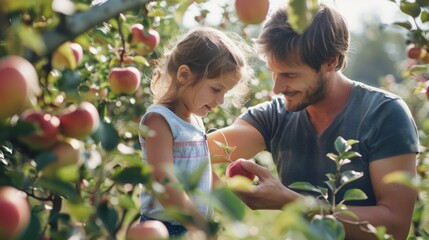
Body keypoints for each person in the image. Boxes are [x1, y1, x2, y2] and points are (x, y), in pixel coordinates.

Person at [207, 3, 419, 240]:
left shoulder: (384, 114)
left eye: (290, 74)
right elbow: (193, 150)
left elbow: (395, 227)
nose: (277, 88)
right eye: (274, 72)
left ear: (330, 62)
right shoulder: (274, 116)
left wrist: (292, 201)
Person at [138, 26, 253, 238]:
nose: (220, 101)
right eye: (216, 89)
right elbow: (165, 183)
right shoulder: (159, 120)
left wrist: (229, 196)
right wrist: (199, 224)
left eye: (224, 93)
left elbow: (202, 170)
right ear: (184, 75)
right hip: (162, 229)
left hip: (188, 227)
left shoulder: (196, 120)